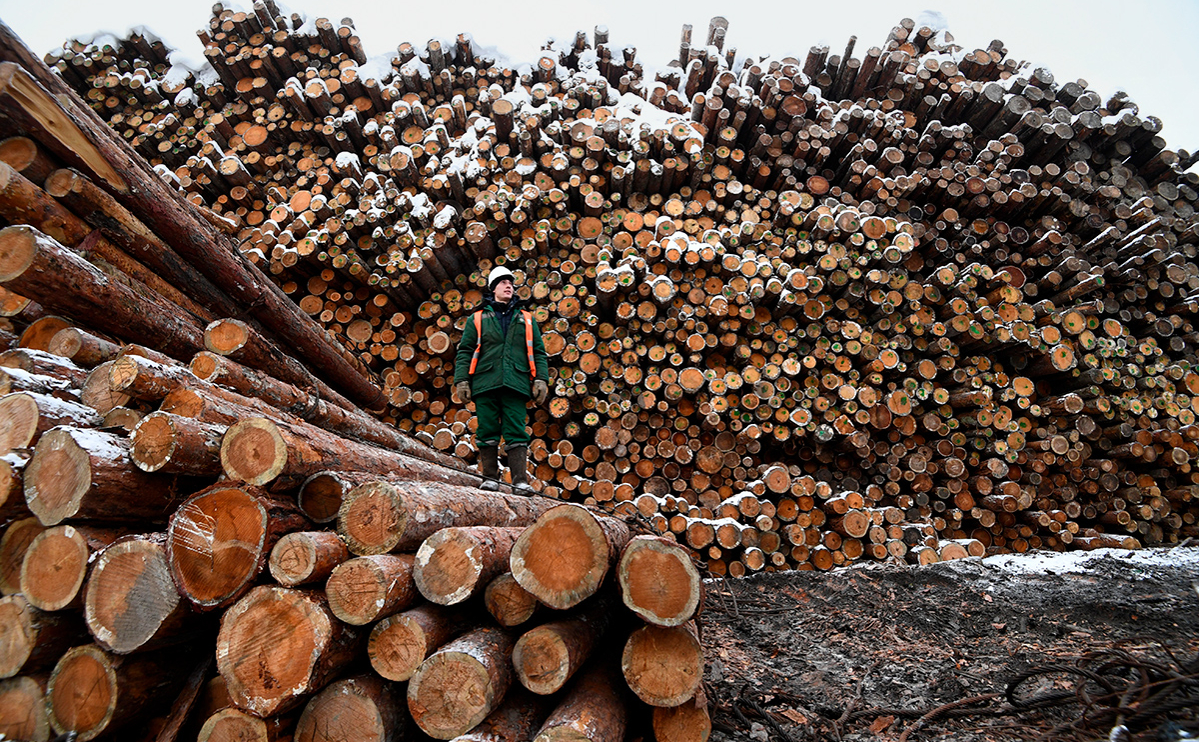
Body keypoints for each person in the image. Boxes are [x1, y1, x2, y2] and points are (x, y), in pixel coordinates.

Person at [454, 266, 549, 492]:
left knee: (516, 430)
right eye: (503, 282)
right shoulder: (477, 318)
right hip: (485, 381)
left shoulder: (527, 319)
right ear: (493, 288)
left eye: (511, 283)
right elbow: (465, 351)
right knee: (487, 430)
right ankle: (490, 478)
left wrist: (541, 379)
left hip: (516, 382)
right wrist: (462, 380)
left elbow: (538, 352)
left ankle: (520, 482)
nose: (509, 286)